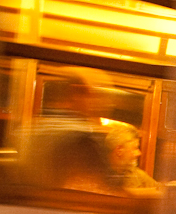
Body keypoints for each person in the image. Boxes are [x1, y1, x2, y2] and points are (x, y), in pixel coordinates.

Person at [21, 66, 124, 194]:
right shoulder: (79, 138)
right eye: (100, 93)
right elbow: (100, 191)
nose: (109, 102)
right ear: (76, 92)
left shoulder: (34, 129)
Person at [102, 120, 162, 194]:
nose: (139, 153)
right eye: (135, 148)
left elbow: (161, 190)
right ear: (119, 151)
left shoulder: (137, 174)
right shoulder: (97, 172)